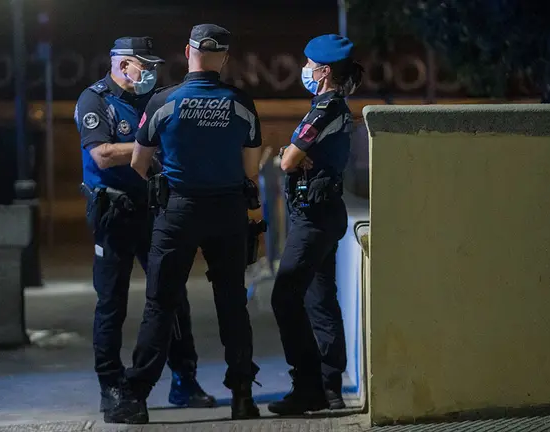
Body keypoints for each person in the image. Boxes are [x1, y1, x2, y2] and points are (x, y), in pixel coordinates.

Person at [104, 24, 263, 424]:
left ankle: (136, 396)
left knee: (160, 304)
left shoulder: (163, 101)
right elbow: (251, 169)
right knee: (232, 303)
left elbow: (140, 164)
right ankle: (242, 396)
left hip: (177, 211)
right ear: (224, 58)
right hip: (227, 212)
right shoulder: (241, 102)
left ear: (188, 52)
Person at [74, 36, 216, 421]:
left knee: (170, 297)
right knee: (111, 303)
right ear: (122, 64)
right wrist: (148, 143)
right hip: (113, 213)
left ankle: (184, 380)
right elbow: (102, 155)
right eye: (144, 65)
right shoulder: (95, 101)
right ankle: (112, 387)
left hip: (152, 209)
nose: (150, 72)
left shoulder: (148, 99)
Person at [267, 34, 364, 416]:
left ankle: (307, 387)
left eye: (308, 64)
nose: (304, 70)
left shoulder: (324, 109)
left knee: (285, 297)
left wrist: (288, 156)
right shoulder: (337, 107)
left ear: (323, 72)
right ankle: (329, 387)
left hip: (312, 218)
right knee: (319, 299)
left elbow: (290, 160)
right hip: (326, 212)